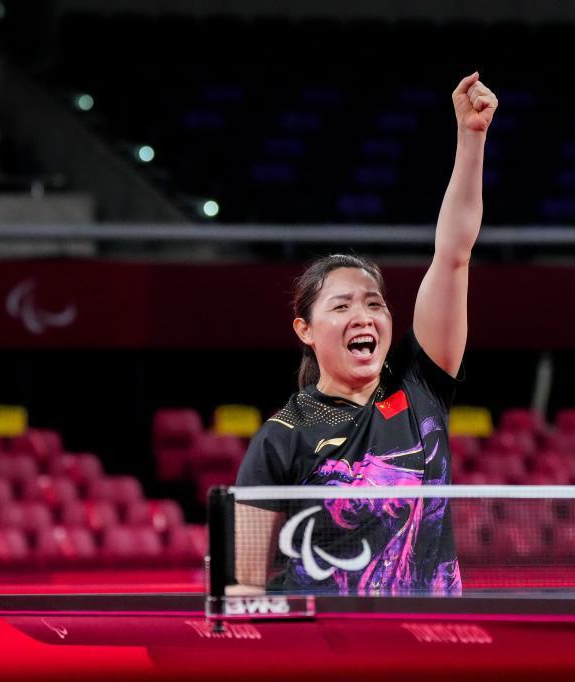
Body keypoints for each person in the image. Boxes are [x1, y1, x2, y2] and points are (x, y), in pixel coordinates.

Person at [234, 72, 497, 596]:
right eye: (342, 305)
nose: (364, 315)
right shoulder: (282, 436)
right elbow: (241, 583)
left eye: (374, 303)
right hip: (328, 649)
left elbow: (453, 255)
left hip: (432, 640)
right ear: (305, 330)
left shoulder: (420, 386)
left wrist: (471, 140)